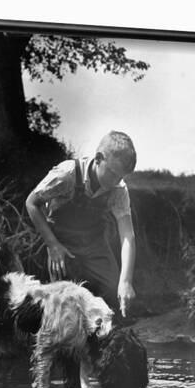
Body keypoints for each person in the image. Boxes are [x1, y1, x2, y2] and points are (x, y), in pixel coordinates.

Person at [26, 130, 137, 318]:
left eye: (120, 176)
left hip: (95, 244)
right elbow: (31, 203)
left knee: (112, 291)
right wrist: (52, 245)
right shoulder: (67, 174)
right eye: (111, 173)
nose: (115, 181)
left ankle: (102, 337)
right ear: (99, 158)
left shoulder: (118, 189)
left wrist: (126, 281)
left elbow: (127, 235)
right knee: (63, 299)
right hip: (63, 243)